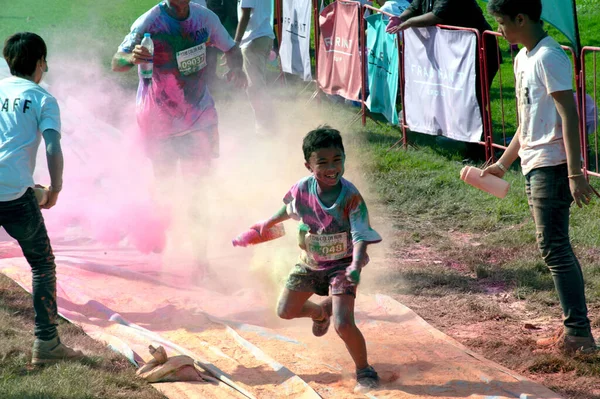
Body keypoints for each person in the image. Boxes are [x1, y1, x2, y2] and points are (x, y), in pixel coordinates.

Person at [483, 0, 598, 354]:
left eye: (501, 22)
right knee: (553, 246)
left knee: (555, 247)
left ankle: (579, 335)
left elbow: (569, 115)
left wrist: (575, 172)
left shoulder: (550, 57)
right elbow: (527, 120)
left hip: (552, 164)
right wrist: (503, 163)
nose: (499, 29)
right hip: (533, 162)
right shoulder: (522, 58)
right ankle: (573, 329)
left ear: (522, 18)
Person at [112, 0, 246, 282]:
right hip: (159, 122)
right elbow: (117, 62)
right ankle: (162, 252)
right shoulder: (148, 23)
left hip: (199, 119)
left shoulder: (204, 18)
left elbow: (232, 48)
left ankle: (200, 262)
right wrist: (131, 57)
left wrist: (237, 69)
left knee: (198, 191)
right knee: (165, 189)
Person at [253, 126, 382, 392]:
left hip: (343, 266)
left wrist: (356, 265)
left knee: (344, 324)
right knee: (285, 311)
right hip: (310, 263)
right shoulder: (302, 188)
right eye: (322, 162)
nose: (331, 168)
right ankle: (320, 312)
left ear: (344, 158)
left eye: (337, 160)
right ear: (309, 165)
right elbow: (290, 209)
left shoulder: (351, 197)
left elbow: (360, 234)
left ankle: (365, 371)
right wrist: (269, 221)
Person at [0, 32, 84, 365]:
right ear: (40, 62)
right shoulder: (42, 98)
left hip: (15, 186)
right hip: (16, 195)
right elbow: (52, 146)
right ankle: (46, 344)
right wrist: (55, 189)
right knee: (42, 265)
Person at [387, 0, 500, 161]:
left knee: (472, 102)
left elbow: (437, 15)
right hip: (453, 53)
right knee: (455, 99)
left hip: (478, 51)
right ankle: (467, 142)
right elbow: (415, 6)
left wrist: (408, 22)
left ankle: (483, 152)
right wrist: (401, 18)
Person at [234, 0, 276, 135]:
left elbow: (246, 14)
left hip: (254, 38)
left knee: (255, 88)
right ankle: (268, 125)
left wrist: (235, 43)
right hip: (263, 36)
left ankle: (265, 127)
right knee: (259, 86)